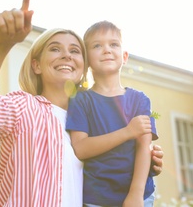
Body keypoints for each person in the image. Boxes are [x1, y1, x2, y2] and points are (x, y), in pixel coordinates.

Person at [0, 0, 163, 207]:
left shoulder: (93, 118)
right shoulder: (24, 107)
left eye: (75, 51)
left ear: (84, 67)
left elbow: (115, 162)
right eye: (55, 49)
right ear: (36, 65)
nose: (66, 54)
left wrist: (145, 160)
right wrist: (1, 44)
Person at [66, 20, 158, 207]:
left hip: (140, 196)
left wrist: (136, 194)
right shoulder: (81, 100)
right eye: (97, 45)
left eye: (113, 44)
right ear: (87, 59)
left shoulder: (139, 100)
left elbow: (144, 148)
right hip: (97, 198)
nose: (107, 49)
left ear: (124, 56)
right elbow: (81, 148)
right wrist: (127, 132)